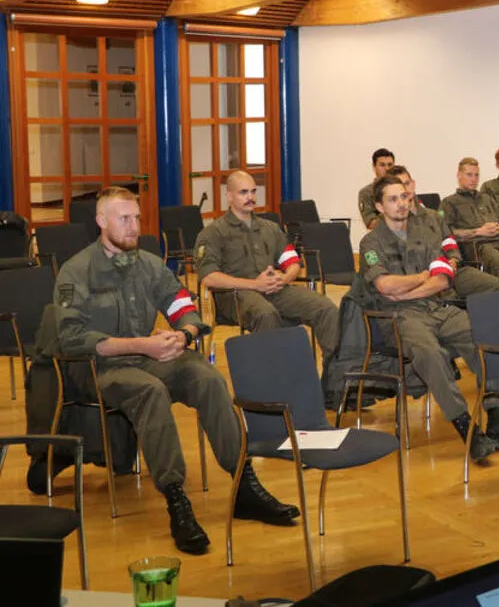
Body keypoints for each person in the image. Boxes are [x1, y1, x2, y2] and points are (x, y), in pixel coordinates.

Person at [54, 187, 299, 555]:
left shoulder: (149, 263)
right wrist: (143, 344)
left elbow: (182, 304)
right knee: (150, 392)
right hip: (100, 367)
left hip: (152, 355)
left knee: (209, 378)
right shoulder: (77, 270)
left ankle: (243, 484)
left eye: (137, 217)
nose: (134, 226)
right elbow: (72, 339)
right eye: (125, 219)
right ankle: (176, 500)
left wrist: (183, 334)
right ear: (101, 222)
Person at [358, 172, 499, 462]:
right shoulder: (371, 243)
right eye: (392, 199)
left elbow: (442, 279)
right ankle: (467, 429)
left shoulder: (425, 232)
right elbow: (384, 286)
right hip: (399, 317)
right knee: (430, 353)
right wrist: (420, 279)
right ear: (379, 206)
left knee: (488, 339)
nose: (401, 203)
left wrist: (409, 287)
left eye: (403, 196)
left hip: (436, 307)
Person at [195, 171, 339, 359]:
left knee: (325, 307)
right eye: (243, 192)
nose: (250, 197)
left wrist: (284, 278)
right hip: (236, 295)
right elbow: (208, 277)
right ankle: (273, 380)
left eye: (253, 192)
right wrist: (255, 285)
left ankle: (336, 380)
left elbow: (293, 262)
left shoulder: (269, 228)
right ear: (229, 196)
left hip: (275, 289)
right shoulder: (214, 232)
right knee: (266, 314)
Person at [399, 166, 499, 298]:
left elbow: (448, 240)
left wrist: (454, 258)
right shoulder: (396, 222)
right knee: (447, 299)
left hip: (453, 271)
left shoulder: (433, 215)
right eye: (399, 186)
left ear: (413, 184)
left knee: (498, 285)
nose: (405, 189)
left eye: (406, 184)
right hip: (425, 277)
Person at [439, 157, 499, 276]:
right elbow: (446, 233)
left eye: (476, 175)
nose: (474, 179)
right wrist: (477, 232)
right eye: (469, 175)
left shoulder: (487, 198)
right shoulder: (449, 203)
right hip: (479, 246)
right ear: (459, 175)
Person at [358, 148, 395, 229]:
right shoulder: (367, 192)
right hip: (383, 238)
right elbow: (371, 224)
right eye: (382, 165)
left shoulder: (403, 188)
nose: (387, 169)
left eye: (390, 165)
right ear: (374, 166)